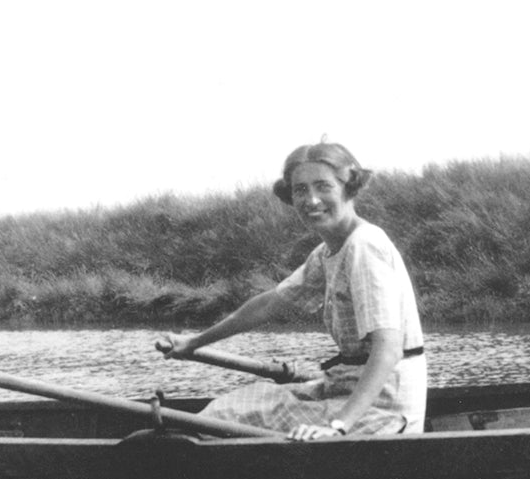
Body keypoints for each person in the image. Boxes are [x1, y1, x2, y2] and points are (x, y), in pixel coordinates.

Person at [161, 142, 426, 440]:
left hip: (385, 409)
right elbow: (269, 305)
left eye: (323, 186)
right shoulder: (328, 251)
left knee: (219, 421)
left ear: (348, 188)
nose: (311, 200)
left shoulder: (364, 246)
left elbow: (388, 350)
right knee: (237, 405)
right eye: (300, 190)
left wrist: (337, 426)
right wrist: (194, 342)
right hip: (346, 385)